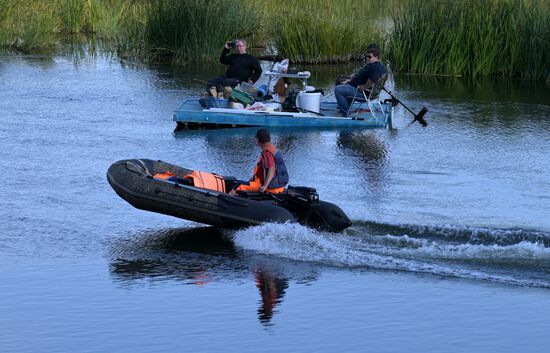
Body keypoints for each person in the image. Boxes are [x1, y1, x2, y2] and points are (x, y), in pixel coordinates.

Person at [229, 129, 289, 195]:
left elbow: (272, 169)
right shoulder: (273, 149)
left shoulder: (267, 152)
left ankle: (228, 199)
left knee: (237, 186)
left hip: (269, 187)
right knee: (237, 182)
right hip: (279, 187)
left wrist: (264, 186)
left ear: (258, 140)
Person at [334, 45, 386, 116]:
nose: (367, 58)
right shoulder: (376, 66)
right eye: (366, 56)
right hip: (358, 88)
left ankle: (344, 112)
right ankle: (345, 106)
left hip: (363, 93)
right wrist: (349, 81)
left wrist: (364, 87)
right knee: (341, 82)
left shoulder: (375, 67)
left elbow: (372, 80)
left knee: (338, 89)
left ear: (376, 57)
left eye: (370, 57)